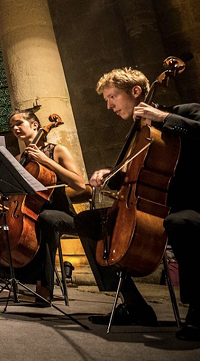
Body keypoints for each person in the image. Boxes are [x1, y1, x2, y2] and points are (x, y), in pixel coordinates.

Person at [75, 68, 200, 341]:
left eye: (112, 96)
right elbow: (138, 174)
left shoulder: (185, 111)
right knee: (88, 221)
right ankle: (134, 306)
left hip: (188, 202)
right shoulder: (139, 134)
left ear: (135, 92)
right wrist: (110, 175)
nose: (109, 105)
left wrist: (163, 117)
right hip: (152, 203)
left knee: (180, 222)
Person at [0, 110, 85, 303]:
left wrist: (46, 161)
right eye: (12, 126)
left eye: (19, 123)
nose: (15, 128)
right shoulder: (20, 158)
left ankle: (44, 285)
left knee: (45, 220)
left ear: (35, 125)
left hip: (59, 213)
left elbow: (79, 184)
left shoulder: (57, 150)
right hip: (24, 211)